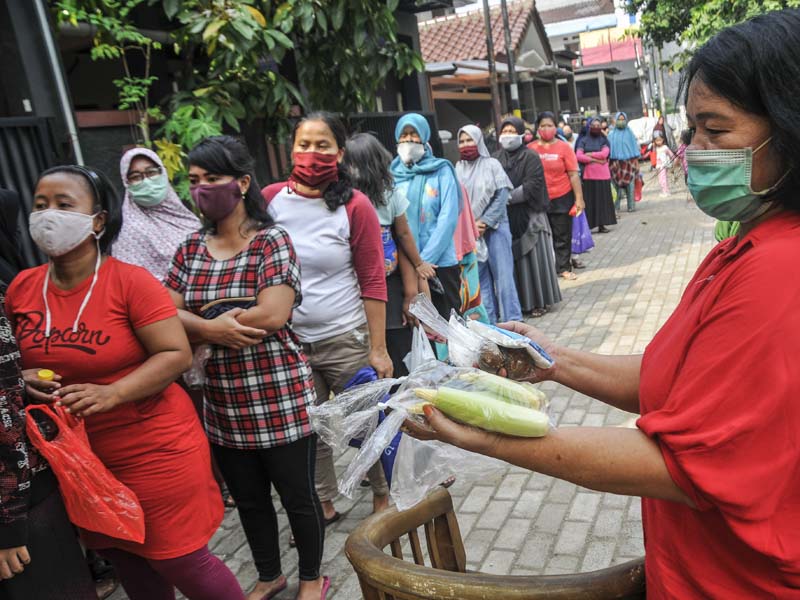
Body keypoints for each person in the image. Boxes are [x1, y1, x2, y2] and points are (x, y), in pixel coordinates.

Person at [405, 9, 800, 598]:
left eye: (715, 131)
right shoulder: (745, 243)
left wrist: (486, 437)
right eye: (691, 130)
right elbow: (674, 382)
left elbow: (680, 464)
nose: (694, 151)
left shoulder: (780, 270)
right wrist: (552, 361)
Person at [5, 166, 242, 600]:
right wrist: (18, 377)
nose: (48, 215)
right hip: (80, 457)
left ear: (97, 220)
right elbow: (9, 358)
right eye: (40, 205)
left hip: (154, 448)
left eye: (63, 204)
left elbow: (175, 354)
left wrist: (112, 392)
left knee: (178, 557)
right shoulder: (22, 288)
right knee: (125, 555)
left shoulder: (130, 282)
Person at [165, 136, 328, 600]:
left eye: (212, 179)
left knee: (298, 496)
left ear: (242, 182)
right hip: (222, 398)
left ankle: (312, 576)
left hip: (278, 393)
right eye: (194, 181)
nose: (201, 189)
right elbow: (164, 312)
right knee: (251, 500)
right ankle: (269, 574)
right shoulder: (190, 248)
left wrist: (198, 323)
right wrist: (217, 328)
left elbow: (273, 313)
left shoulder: (271, 240)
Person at [261, 112, 392, 523]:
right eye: (304, 144)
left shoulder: (356, 206)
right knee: (309, 428)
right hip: (290, 342)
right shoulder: (269, 200)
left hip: (345, 337)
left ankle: (384, 495)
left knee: (365, 420)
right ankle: (324, 502)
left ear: (339, 151)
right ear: (291, 148)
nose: (312, 154)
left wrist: (378, 348)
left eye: (322, 145)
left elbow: (372, 280)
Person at [341, 132, 435, 376]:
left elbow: (403, 239)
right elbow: (403, 238)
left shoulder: (389, 195)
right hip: (358, 293)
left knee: (399, 353)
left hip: (389, 290)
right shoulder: (342, 203)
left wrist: (410, 293)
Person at [390, 113, 462, 321]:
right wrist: (415, 262)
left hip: (439, 263)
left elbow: (448, 218)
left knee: (449, 325)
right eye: (404, 135)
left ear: (424, 137)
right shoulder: (391, 174)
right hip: (404, 265)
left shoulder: (441, 170)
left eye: (414, 134)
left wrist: (425, 261)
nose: (409, 140)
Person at [493, 116, 561, 318]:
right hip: (505, 217)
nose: (507, 136)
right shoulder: (496, 158)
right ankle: (519, 304)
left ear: (522, 133)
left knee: (531, 262)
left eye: (512, 131)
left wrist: (505, 197)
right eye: (504, 131)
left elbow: (532, 185)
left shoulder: (530, 156)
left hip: (531, 217)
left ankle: (538, 301)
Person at [455, 125, 521, 324]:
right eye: (462, 141)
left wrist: (484, 222)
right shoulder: (457, 168)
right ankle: (489, 326)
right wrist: (470, 227)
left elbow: (502, 195)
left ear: (479, 141)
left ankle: (513, 323)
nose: (466, 145)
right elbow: (457, 201)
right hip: (471, 234)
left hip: (496, 228)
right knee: (480, 282)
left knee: (504, 280)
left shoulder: (492, 164)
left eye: (470, 140)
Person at [113, 148, 200, 280]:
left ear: (163, 172)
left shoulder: (185, 217)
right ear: (126, 183)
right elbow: (133, 281)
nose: (146, 181)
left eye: (152, 172)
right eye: (135, 177)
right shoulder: (128, 230)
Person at [529, 112, 586, 281]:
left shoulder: (564, 147)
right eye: (543, 125)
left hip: (561, 196)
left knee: (562, 234)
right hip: (537, 200)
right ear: (537, 128)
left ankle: (563, 267)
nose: (546, 129)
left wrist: (579, 199)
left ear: (556, 127)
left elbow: (574, 174)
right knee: (540, 236)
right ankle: (544, 270)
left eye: (550, 125)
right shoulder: (530, 149)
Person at [577, 117, 616, 234]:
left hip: (603, 176)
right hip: (589, 176)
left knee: (603, 201)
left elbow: (605, 154)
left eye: (599, 125)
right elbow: (578, 156)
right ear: (589, 126)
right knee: (590, 202)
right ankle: (588, 226)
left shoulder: (603, 140)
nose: (596, 127)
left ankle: (602, 225)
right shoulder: (583, 140)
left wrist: (590, 154)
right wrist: (595, 160)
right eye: (594, 125)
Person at [607, 111, 641, 214]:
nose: (621, 121)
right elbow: (608, 150)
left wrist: (636, 163)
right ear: (615, 121)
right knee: (615, 186)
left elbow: (634, 149)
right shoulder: (611, 135)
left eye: (623, 119)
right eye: (619, 119)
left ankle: (631, 206)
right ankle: (616, 207)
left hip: (629, 163)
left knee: (630, 186)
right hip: (614, 163)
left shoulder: (630, 133)